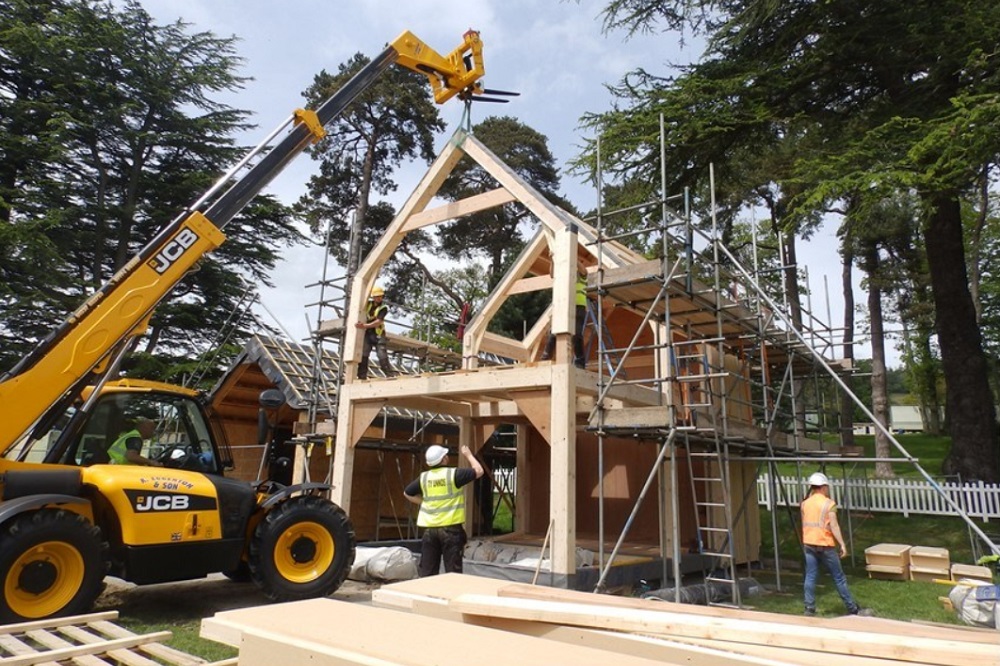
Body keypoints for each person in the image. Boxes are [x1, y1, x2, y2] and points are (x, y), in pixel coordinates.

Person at [404, 444, 485, 576]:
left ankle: (427, 589)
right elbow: (479, 471)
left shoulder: (424, 478)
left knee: (428, 572)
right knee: (452, 574)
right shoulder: (453, 474)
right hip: (450, 530)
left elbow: (407, 493)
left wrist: (425, 502)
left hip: (430, 530)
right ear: (444, 459)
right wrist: (468, 455)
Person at [801, 472, 870, 616]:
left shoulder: (805, 504)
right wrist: (842, 544)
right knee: (839, 577)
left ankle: (809, 607)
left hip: (809, 544)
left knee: (810, 576)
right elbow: (834, 525)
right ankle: (852, 608)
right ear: (823, 487)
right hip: (825, 544)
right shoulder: (829, 504)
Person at [541, 268, 589, 368]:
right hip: (563, 305)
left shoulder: (581, 277)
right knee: (553, 333)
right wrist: (552, 260)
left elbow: (584, 271)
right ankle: (545, 359)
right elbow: (552, 274)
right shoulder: (564, 277)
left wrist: (575, 260)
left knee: (577, 334)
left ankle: (580, 361)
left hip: (578, 307)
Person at [355, 285, 396, 380]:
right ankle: (361, 376)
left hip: (378, 334)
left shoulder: (383, 307)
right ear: (373, 297)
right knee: (364, 354)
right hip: (368, 333)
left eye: (380, 296)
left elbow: (378, 322)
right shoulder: (368, 304)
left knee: (381, 354)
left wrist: (364, 326)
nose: (379, 298)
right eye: (377, 296)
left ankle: (390, 375)